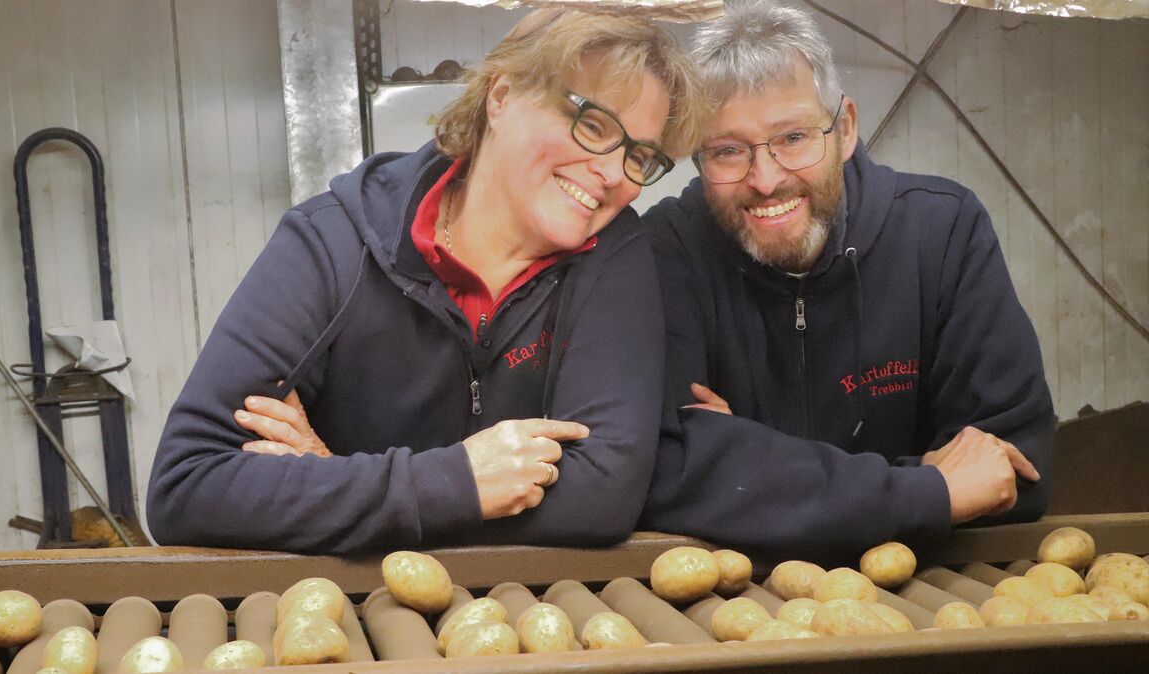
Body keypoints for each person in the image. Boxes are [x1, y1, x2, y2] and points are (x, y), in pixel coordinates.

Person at [147, 8, 707, 554]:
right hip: (356, 623)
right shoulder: (334, 243)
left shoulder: (613, 253)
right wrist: (456, 484)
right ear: (502, 95)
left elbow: (603, 496)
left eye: (640, 156)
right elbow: (187, 484)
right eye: (592, 125)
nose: (614, 173)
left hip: (533, 624)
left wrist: (335, 484)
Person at [638, 0, 1054, 564]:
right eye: (728, 151)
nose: (766, 180)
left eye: (793, 138)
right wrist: (930, 489)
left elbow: (1015, 473)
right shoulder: (667, 250)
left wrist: (745, 461)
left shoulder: (943, 230)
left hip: (921, 596)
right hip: (736, 610)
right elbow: (661, 474)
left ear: (846, 128)